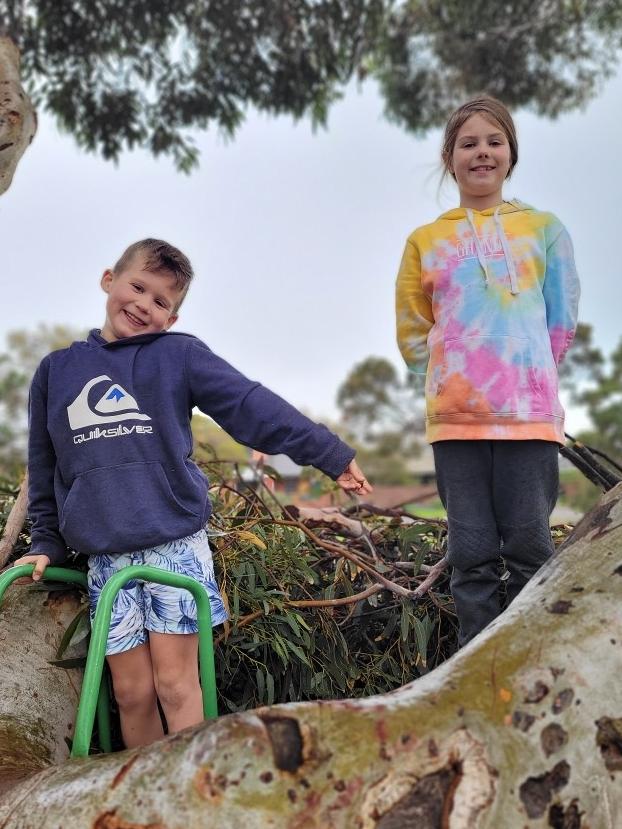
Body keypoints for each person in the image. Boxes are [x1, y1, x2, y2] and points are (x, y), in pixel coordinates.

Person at [14, 238, 371, 747]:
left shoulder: (177, 356)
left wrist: (327, 452)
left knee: (176, 685)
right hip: (106, 557)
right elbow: (45, 465)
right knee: (131, 694)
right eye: (137, 287)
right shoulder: (57, 371)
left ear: (172, 319)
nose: (143, 305)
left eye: (161, 301)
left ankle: (189, 792)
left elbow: (250, 404)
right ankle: (144, 801)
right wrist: (45, 542)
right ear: (107, 279)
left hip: (172, 546)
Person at [395, 96, 580, 646]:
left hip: (528, 419)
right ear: (450, 158)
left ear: (511, 155)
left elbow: (561, 318)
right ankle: (473, 670)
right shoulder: (425, 240)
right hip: (456, 422)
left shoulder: (545, 229)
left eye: (494, 141)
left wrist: (524, 373)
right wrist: (458, 371)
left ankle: (532, 664)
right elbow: (411, 330)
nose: (482, 153)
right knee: (470, 554)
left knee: (530, 548)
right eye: (468, 143)